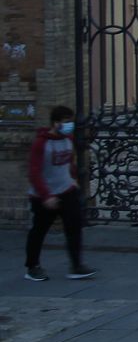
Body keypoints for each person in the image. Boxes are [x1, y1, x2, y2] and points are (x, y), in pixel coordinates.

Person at [24, 106, 95, 282]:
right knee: (39, 230)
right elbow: (34, 172)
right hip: (43, 195)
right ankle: (32, 266)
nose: (69, 125)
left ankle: (76, 265)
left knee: (74, 226)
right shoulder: (41, 143)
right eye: (66, 122)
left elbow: (69, 163)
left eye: (70, 121)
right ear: (56, 123)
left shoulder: (68, 139)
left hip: (66, 190)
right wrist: (46, 196)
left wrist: (73, 179)